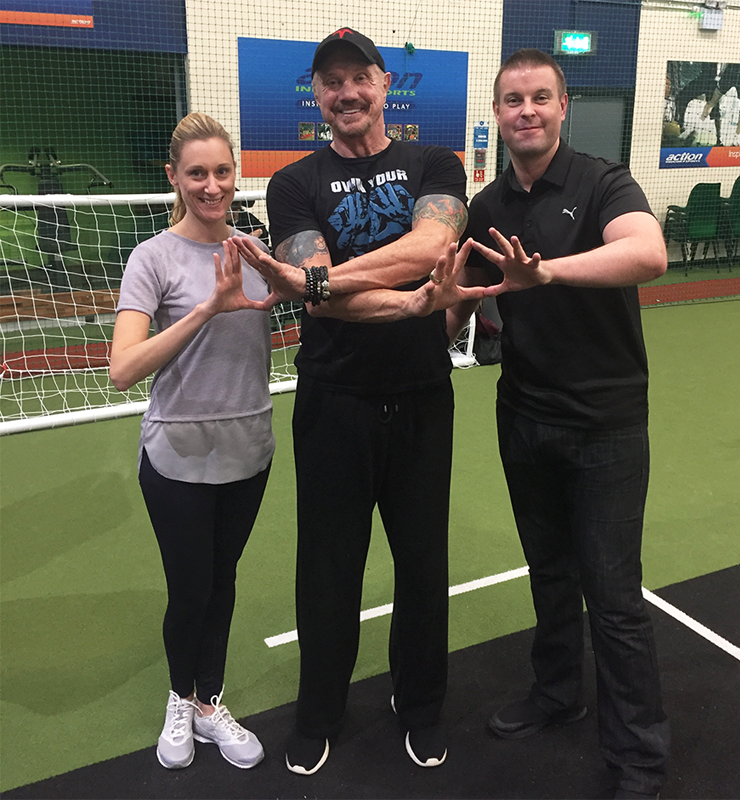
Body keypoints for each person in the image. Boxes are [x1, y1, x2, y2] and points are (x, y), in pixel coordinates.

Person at [232, 27, 472, 775]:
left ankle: (420, 704)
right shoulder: (292, 182)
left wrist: (321, 280)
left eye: (358, 77)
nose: (346, 93)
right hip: (333, 401)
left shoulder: (434, 163)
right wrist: (408, 304)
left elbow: (430, 249)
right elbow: (319, 302)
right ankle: (319, 714)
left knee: (423, 561)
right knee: (328, 567)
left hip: (422, 396)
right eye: (330, 82)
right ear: (317, 94)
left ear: (383, 84)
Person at [443, 49, 670, 800]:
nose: (527, 111)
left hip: (606, 424)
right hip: (524, 415)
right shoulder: (486, 207)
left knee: (613, 596)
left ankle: (639, 759)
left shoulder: (604, 181)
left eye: (540, 97)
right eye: (513, 100)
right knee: (549, 573)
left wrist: (545, 272)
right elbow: (462, 305)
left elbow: (648, 253)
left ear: (562, 106)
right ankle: (556, 692)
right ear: (497, 113)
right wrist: (438, 300)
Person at [109, 112, 275, 772]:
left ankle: (210, 703)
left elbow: (318, 297)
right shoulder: (152, 258)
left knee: (223, 581)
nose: (212, 186)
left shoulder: (257, 251)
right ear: (174, 177)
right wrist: (207, 308)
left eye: (222, 172)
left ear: (236, 175)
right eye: (197, 173)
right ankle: (180, 699)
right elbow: (123, 368)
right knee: (190, 589)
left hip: (249, 449)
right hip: (176, 456)